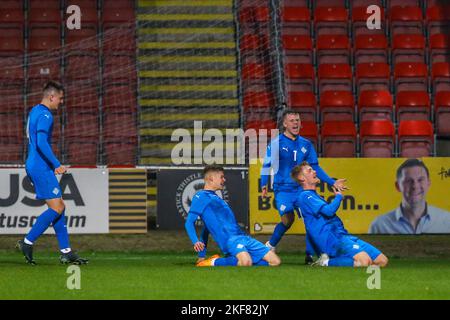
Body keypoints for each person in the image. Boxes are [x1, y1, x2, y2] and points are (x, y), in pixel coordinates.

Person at [260, 109, 347, 263]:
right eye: (292, 120)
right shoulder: (276, 143)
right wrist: (263, 184)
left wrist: (332, 182)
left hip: (302, 189)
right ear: (285, 124)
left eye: (298, 120)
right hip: (283, 189)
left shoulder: (306, 144)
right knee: (287, 220)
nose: (296, 123)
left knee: (312, 219)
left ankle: (312, 255)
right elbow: (267, 165)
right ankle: (270, 245)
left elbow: (316, 167)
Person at [16, 81, 88, 265]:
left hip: (35, 163)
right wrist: (56, 164)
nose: (61, 102)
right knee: (57, 208)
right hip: (41, 166)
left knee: (59, 207)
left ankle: (66, 251)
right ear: (51, 96)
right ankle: (27, 241)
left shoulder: (35, 110)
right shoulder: (46, 115)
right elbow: (41, 142)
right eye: (60, 98)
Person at [291, 162, 388, 267]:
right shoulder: (305, 196)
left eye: (313, 169)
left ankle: (346, 261)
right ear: (301, 178)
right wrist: (338, 196)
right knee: (364, 262)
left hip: (342, 235)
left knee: (382, 261)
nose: (314, 171)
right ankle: (324, 262)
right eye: (309, 170)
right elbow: (329, 211)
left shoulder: (314, 196)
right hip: (332, 240)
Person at [185, 165, 281, 267]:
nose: (224, 179)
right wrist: (196, 242)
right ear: (211, 178)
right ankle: (213, 262)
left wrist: (201, 255)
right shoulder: (201, 196)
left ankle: (229, 260)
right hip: (232, 240)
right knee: (246, 262)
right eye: (221, 177)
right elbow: (189, 223)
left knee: (275, 262)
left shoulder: (216, 198)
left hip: (244, 237)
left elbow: (206, 228)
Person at [369, 159, 450, 234]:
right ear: (398, 186)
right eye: (408, 181)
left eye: (420, 180)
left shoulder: (447, 220)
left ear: (428, 183)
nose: (415, 186)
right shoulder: (380, 225)